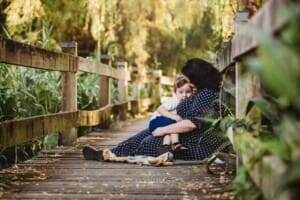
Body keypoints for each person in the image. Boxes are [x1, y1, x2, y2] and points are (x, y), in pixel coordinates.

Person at [83, 58, 228, 161]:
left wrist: (164, 130)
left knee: (148, 142)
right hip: (187, 135)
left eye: (188, 79)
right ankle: (107, 154)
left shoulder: (207, 94)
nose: (188, 83)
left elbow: (192, 123)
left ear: (199, 78)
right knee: (142, 135)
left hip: (198, 144)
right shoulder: (201, 91)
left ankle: (116, 155)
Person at [148, 75, 193, 154]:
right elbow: (160, 109)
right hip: (157, 120)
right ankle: (176, 143)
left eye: (188, 92)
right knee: (175, 125)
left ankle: (165, 147)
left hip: (162, 122)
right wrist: (173, 116)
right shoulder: (174, 101)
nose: (184, 95)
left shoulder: (186, 101)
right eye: (181, 92)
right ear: (175, 92)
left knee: (169, 130)